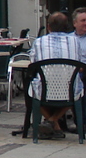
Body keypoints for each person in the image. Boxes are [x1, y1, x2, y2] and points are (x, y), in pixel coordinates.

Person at [28, 11, 80, 139]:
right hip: (69, 89)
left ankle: (51, 121)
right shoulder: (76, 41)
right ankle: (54, 122)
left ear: (48, 26)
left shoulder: (39, 42)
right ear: (68, 26)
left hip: (45, 88)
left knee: (31, 93)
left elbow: (33, 62)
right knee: (77, 92)